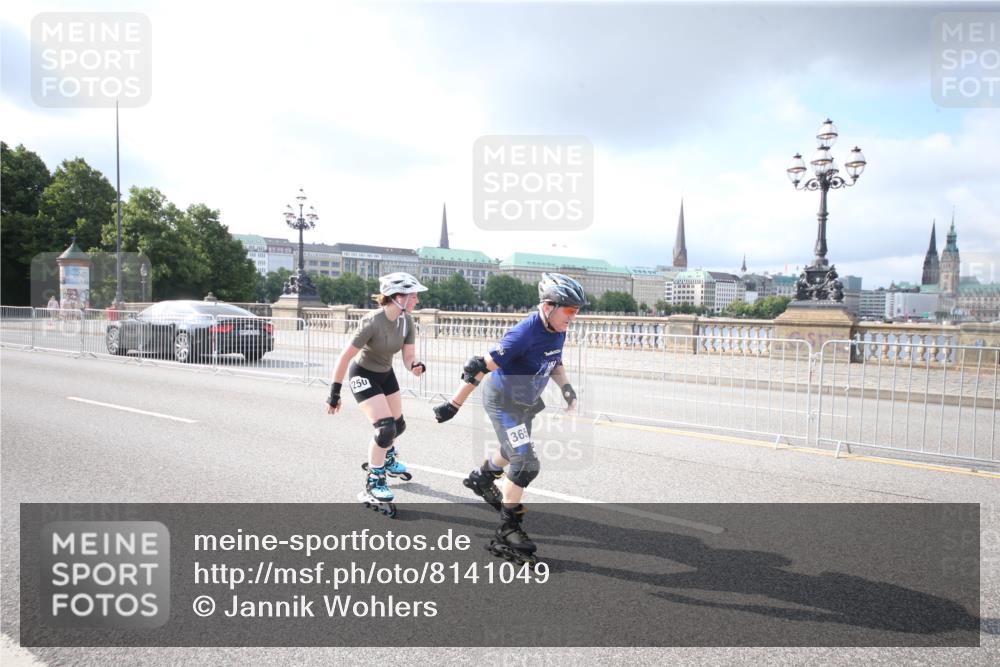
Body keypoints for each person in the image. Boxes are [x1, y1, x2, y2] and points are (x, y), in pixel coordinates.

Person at [432, 272, 586, 562]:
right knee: (526, 463)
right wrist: (453, 405)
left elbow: (555, 361)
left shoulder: (558, 328)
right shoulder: (523, 333)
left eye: (576, 311)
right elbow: (477, 367)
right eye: (570, 310)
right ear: (548, 306)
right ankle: (507, 529)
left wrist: (566, 388)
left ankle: (483, 477)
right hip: (503, 401)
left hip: (525, 403)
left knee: (510, 448)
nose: (573, 316)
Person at [326, 272, 427, 517]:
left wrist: (414, 365)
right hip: (363, 374)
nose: (416, 300)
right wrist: (334, 393)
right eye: (412, 295)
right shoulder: (372, 321)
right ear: (397, 297)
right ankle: (374, 480)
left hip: (385, 373)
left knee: (398, 426)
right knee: (385, 429)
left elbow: (407, 356)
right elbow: (345, 357)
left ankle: (387, 457)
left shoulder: (407, 321)